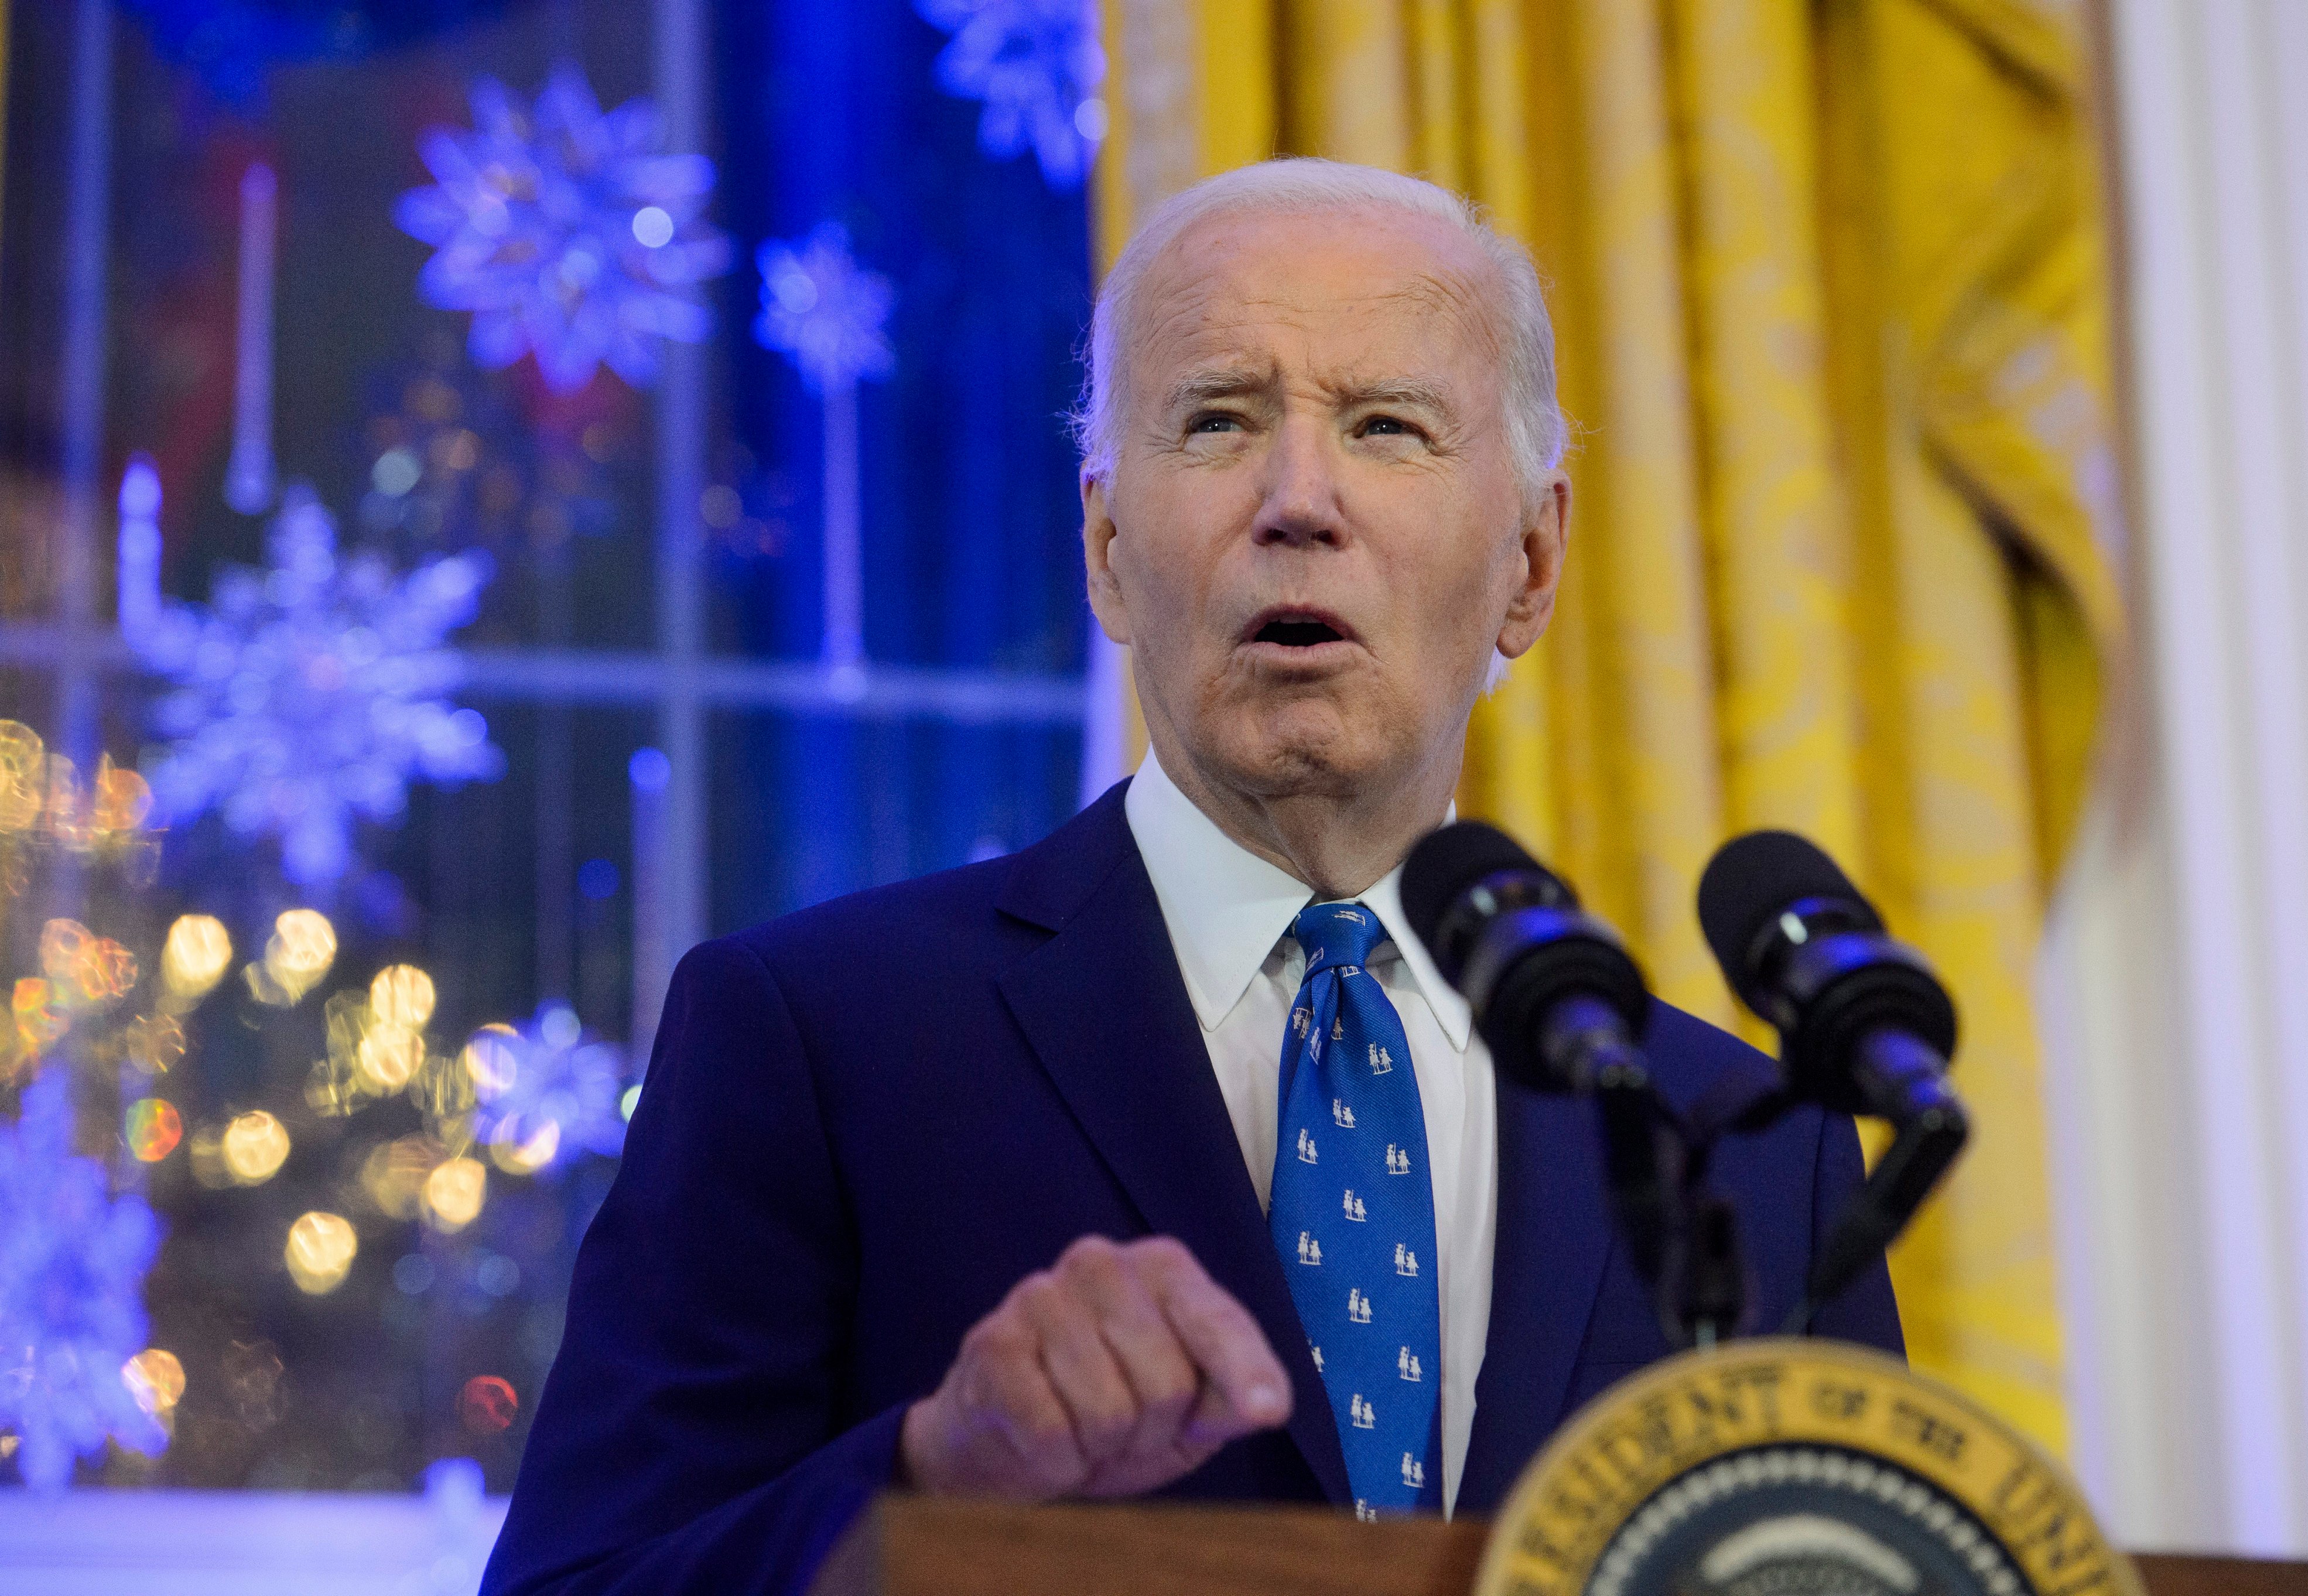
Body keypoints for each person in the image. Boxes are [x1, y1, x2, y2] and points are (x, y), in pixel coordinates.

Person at [482, 159, 1901, 1595]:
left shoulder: (1753, 1152)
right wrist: (927, 1477)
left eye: (1387, 427)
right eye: (1216, 421)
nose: (1297, 499)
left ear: (1529, 561)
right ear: (1105, 549)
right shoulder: (815, 1037)